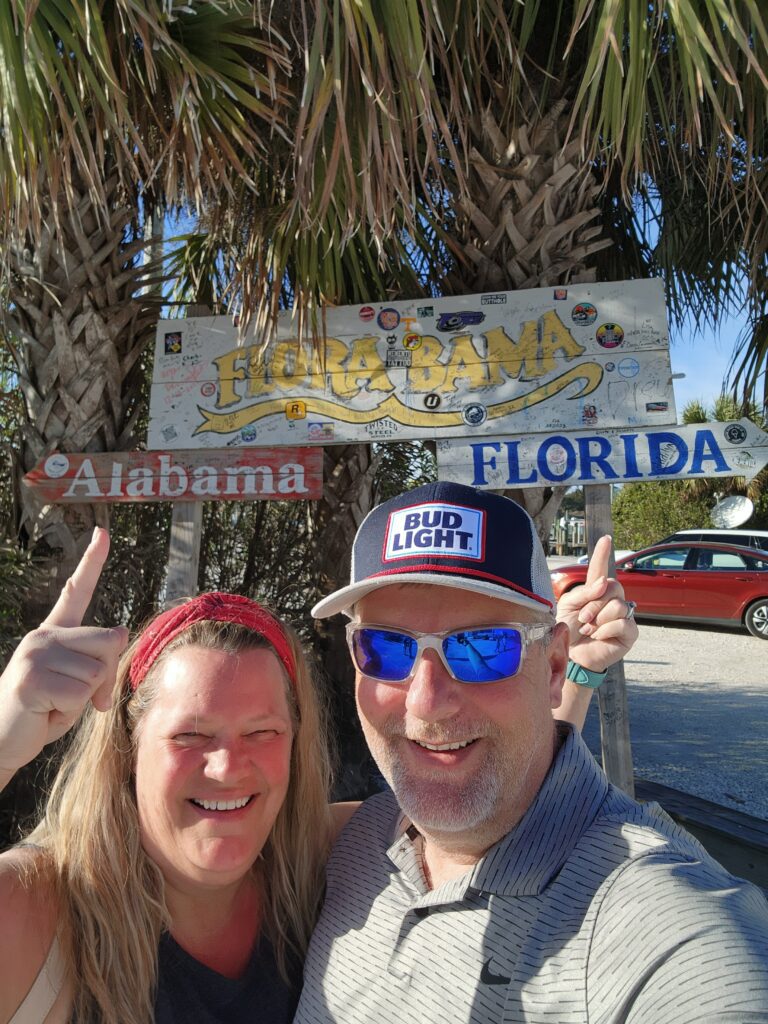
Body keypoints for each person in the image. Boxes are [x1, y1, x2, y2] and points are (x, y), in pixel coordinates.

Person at [295, 481, 768, 1024]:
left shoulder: (669, 927)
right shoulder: (355, 843)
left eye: (483, 648)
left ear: (551, 669)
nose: (427, 705)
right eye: (384, 647)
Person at [0, 528, 332, 1024]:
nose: (226, 767)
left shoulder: (332, 866)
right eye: (190, 736)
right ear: (127, 749)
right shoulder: (38, 909)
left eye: (262, 732)